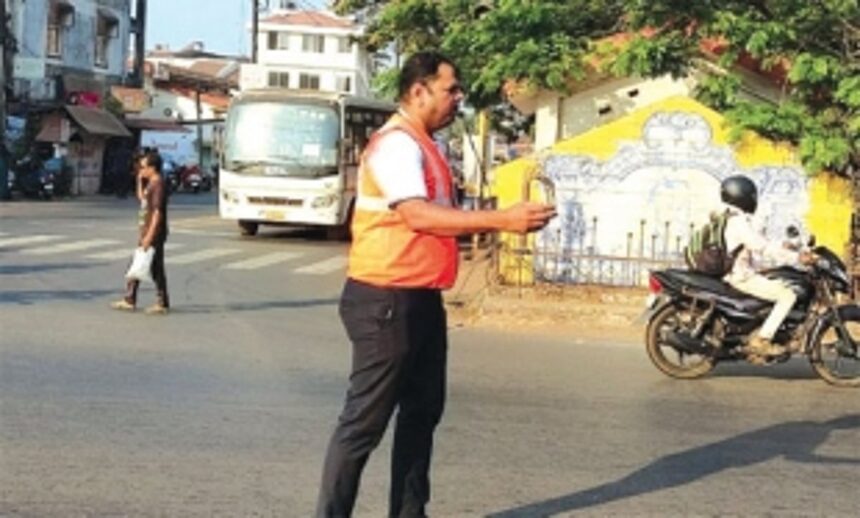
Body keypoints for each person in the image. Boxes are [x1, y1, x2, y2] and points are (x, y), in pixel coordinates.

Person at [316, 51, 556, 518]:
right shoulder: (397, 145)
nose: (458, 99)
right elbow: (417, 215)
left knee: (422, 415)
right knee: (363, 424)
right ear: (418, 91)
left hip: (420, 299)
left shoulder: (427, 145)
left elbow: (440, 219)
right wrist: (503, 220)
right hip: (385, 299)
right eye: (451, 90)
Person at [720, 175, 815, 358]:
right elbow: (761, 246)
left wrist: (786, 246)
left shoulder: (734, 218)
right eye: (752, 196)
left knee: (778, 283)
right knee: (787, 295)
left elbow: (762, 242)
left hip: (744, 272)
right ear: (742, 196)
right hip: (742, 276)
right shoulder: (738, 222)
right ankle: (762, 340)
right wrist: (796, 258)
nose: (754, 200)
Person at [110, 150, 170, 315]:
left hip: (154, 232)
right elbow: (142, 198)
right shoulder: (151, 183)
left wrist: (150, 235)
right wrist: (139, 181)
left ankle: (157, 302)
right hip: (147, 231)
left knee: (146, 265)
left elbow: (157, 213)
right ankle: (135, 299)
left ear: (153, 168)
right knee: (144, 264)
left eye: (143, 167)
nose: (141, 170)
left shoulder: (158, 185)